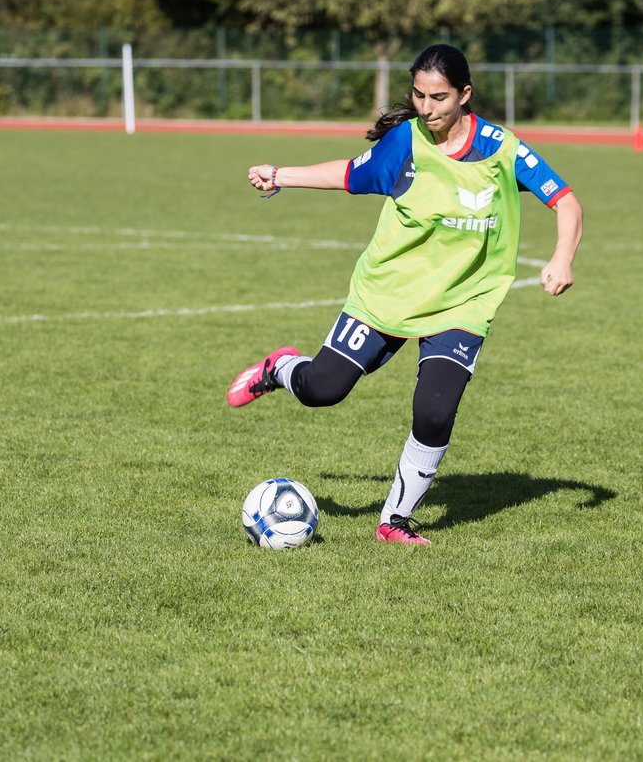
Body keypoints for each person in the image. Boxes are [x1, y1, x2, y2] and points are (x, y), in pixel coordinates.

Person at [229, 44, 583, 545]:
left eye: (439, 97)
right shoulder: (405, 143)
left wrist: (562, 256)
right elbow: (350, 174)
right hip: (388, 292)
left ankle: (394, 521)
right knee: (322, 390)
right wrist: (280, 176)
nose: (427, 107)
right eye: (418, 95)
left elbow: (565, 201)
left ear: (465, 95)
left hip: (462, 302)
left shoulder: (502, 149)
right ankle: (278, 368)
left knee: (435, 410)